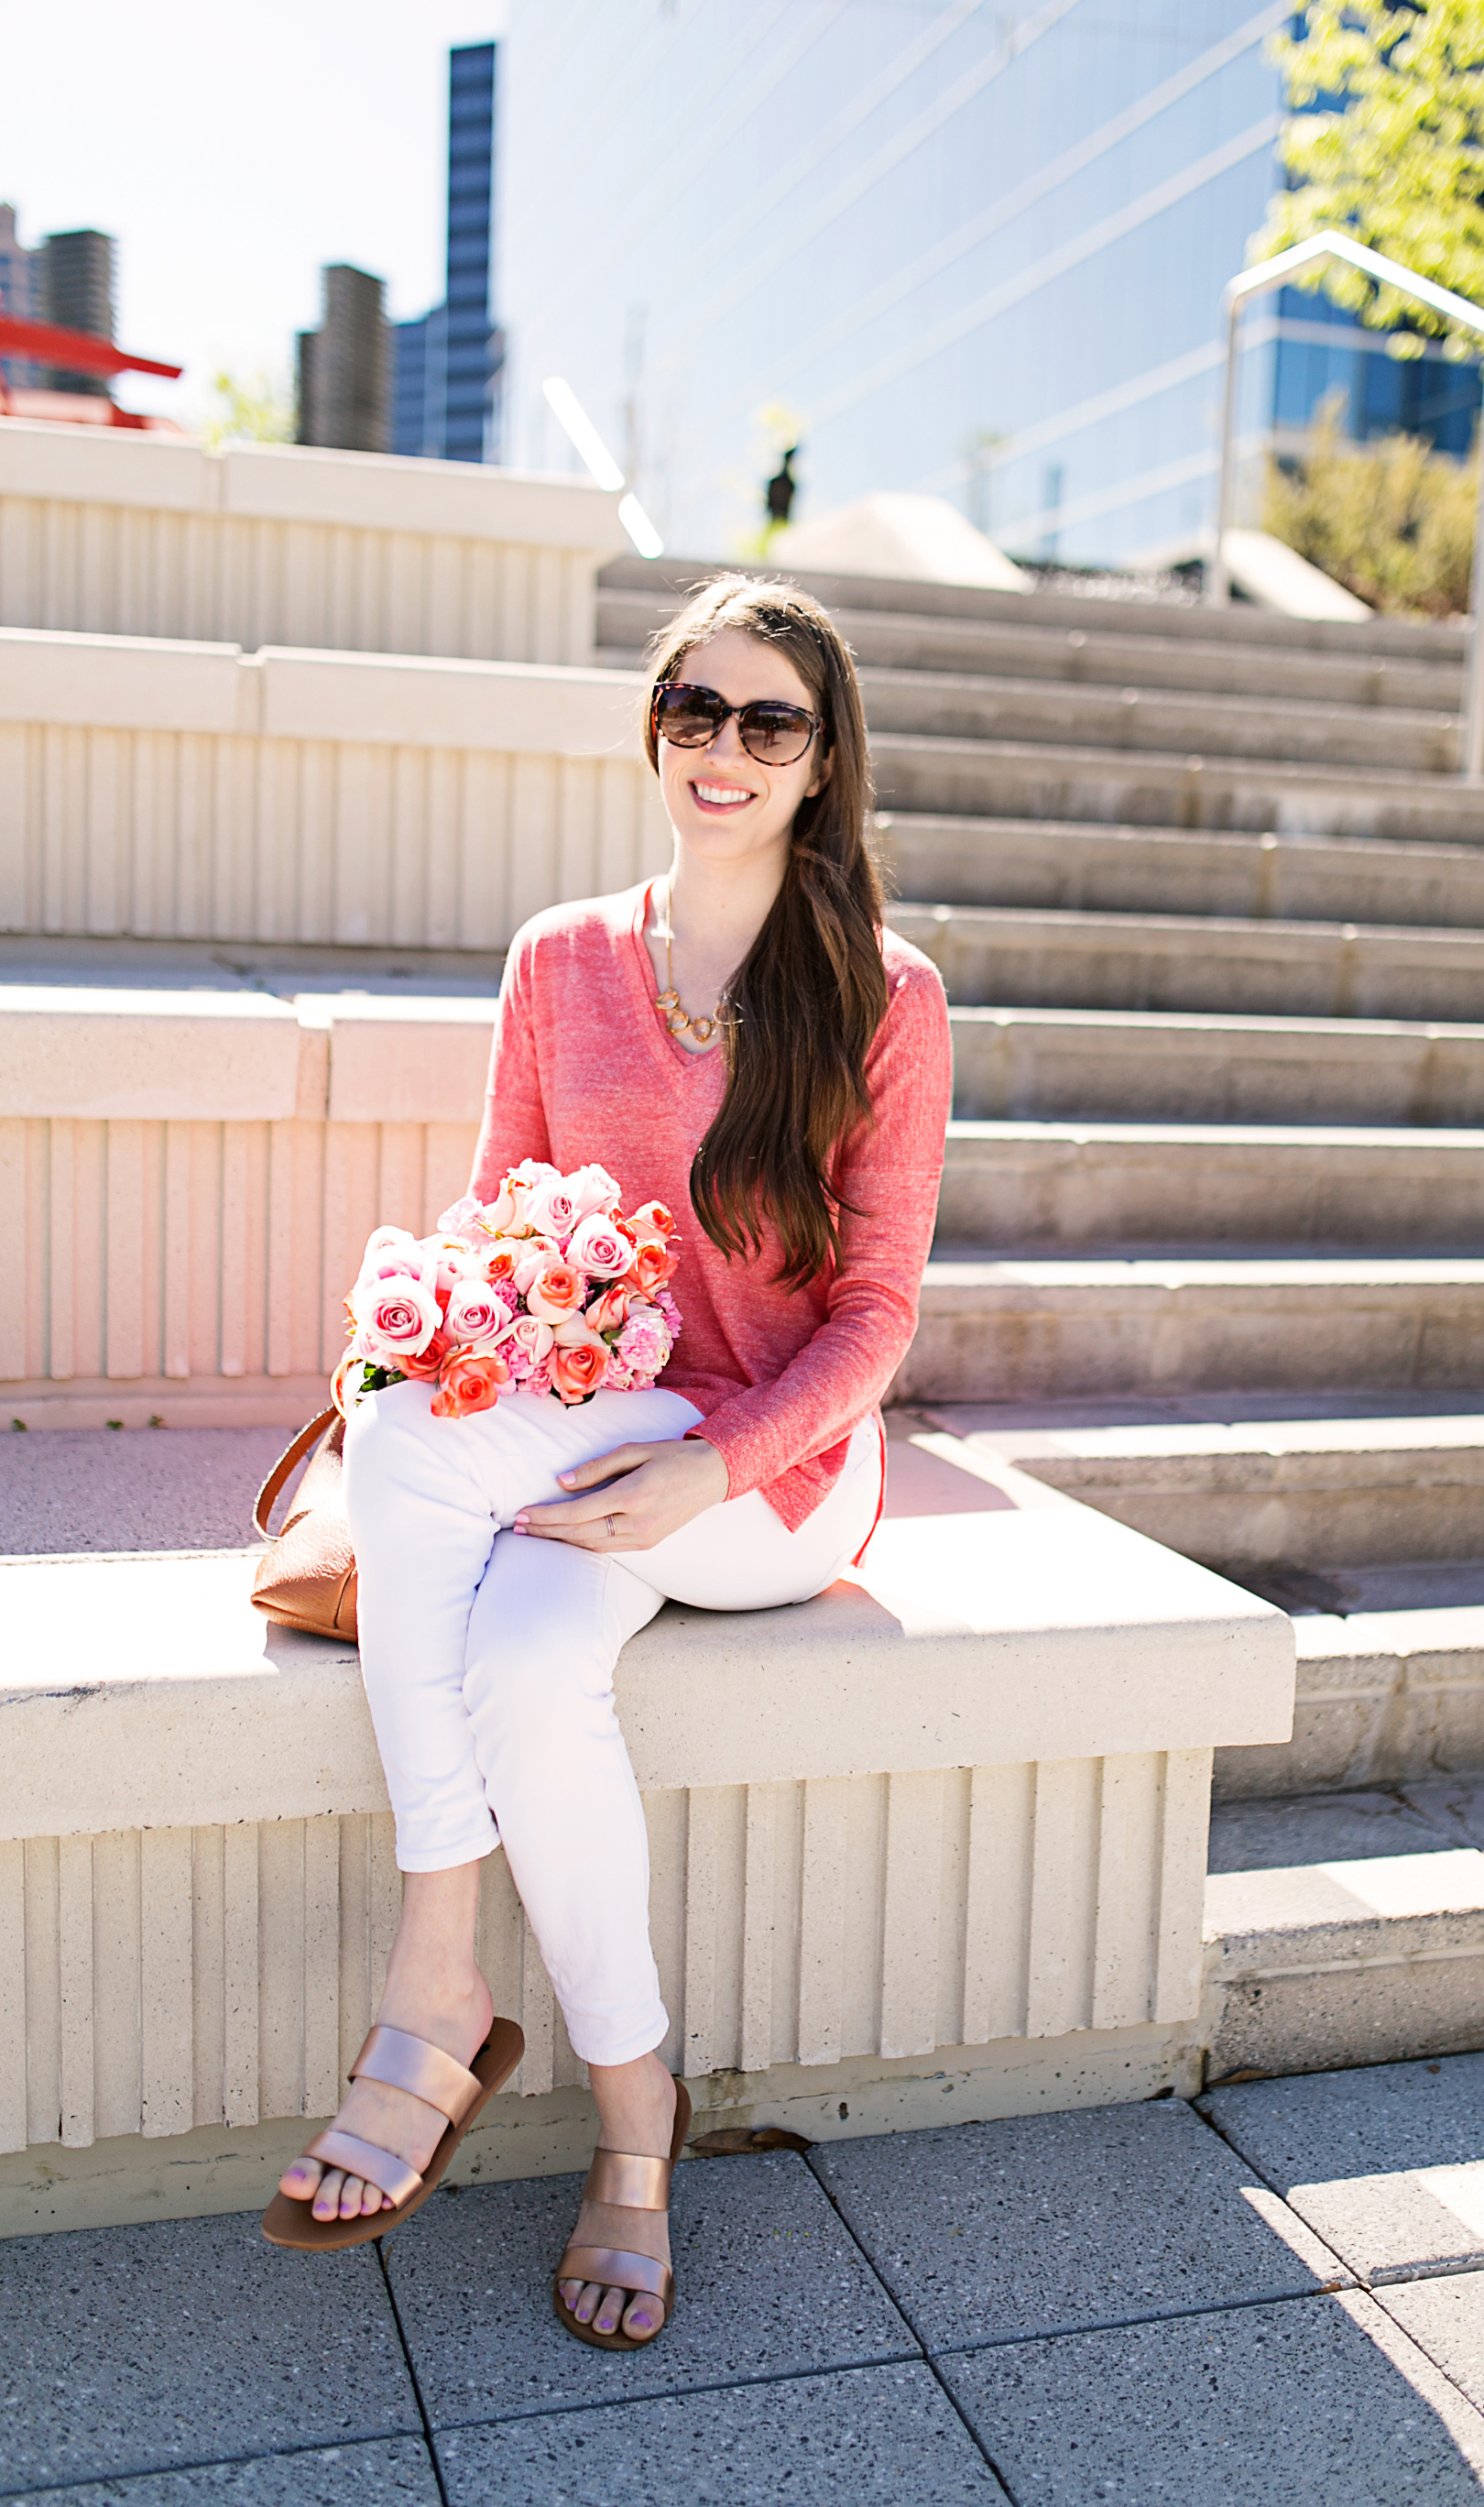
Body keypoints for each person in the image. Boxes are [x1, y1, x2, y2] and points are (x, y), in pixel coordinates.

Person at [262, 573, 953, 2350]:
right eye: (693, 712)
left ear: (820, 761)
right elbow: (500, 1220)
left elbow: (874, 1317)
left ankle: (433, 1992)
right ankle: (636, 2124)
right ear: (655, 731)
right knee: (520, 1648)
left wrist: (716, 1466)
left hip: (771, 1481)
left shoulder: (883, 991)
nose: (722, 750)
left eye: (767, 723)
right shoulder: (561, 958)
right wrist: (472, 1325)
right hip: (598, 1432)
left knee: (422, 1446)